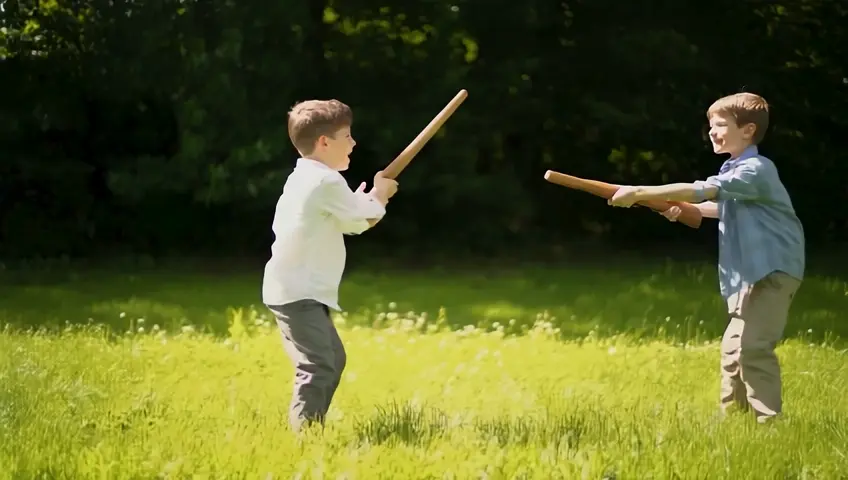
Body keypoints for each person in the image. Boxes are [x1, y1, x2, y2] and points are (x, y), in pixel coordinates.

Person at [608, 92, 805, 423]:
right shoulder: (736, 170)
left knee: (754, 347)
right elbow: (717, 206)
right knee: (732, 351)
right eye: (711, 125)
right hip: (748, 273)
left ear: (748, 130)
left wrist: (640, 192)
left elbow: (704, 190)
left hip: (773, 270)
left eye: (720, 125)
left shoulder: (757, 168)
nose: (712, 131)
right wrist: (682, 210)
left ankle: (770, 423)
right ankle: (733, 420)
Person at [262, 99, 398, 432]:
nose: (353, 143)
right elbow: (365, 216)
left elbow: (352, 221)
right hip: (297, 291)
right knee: (319, 365)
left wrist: (366, 201)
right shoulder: (325, 182)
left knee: (331, 359)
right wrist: (381, 194)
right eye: (347, 136)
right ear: (325, 142)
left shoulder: (307, 177)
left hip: (295, 288)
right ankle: (304, 436)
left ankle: (310, 425)